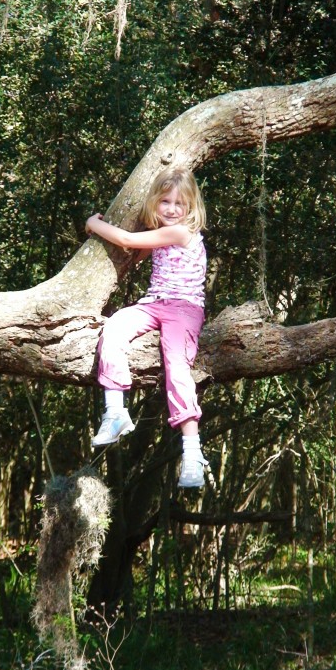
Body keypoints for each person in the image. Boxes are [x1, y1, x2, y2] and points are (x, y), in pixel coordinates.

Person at [85, 166, 208, 488]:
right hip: (153, 304)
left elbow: (125, 239)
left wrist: (94, 223)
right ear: (155, 203)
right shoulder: (161, 236)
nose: (171, 209)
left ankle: (192, 452)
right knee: (113, 328)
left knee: (176, 365)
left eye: (179, 204)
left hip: (184, 309)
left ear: (191, 208)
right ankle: (115, 412)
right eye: (165, 201)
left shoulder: (181, 233)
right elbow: (133, 251)